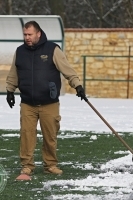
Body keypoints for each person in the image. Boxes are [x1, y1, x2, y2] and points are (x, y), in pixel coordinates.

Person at [6, 21, 86, 175]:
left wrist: (77, 86)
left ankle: (50, 165)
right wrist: (10, 91)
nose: (27, 37)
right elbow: (13, 73)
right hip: (27, 103)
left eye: (30, 34)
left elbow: (67, 69)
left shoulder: (52, 49)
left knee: (50, 136)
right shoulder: (20, 51)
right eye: (25, 35)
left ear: (38, 34)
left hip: (49, 102)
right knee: (26, 135)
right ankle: (27, 166)